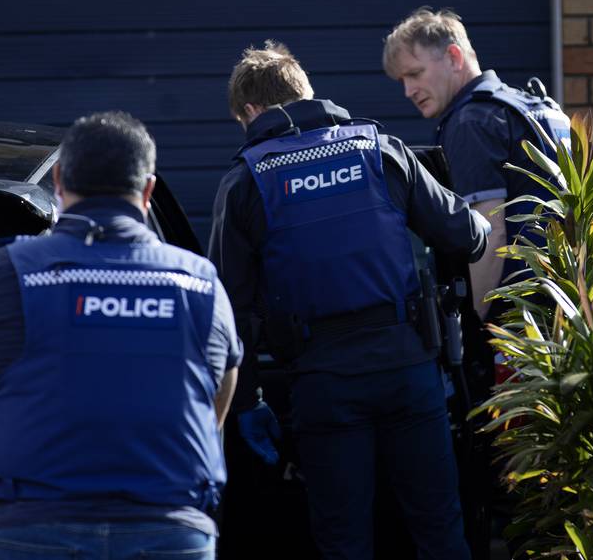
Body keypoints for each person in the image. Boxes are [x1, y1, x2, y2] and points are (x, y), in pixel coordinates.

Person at [0, 111, 240, 560]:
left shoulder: (0, 275)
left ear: (60, 179)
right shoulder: (201, 283)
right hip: (168, 532)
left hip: (28, 529)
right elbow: (215, 405)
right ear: (147, 190)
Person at [209, 41, 490, 560]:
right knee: (440, 530)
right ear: (306, 94)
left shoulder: (246, 181)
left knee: (343, 541)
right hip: (410, 372)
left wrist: (247, 403)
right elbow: (467, 235)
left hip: (324, 385)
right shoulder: (379, 150)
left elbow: (230, 312)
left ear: (250, 112)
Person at [382, 7, 572, 320]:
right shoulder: (539, 108)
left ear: (454, 57)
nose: (408, 91)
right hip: (568, 303)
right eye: (402, 80)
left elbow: (489, 233)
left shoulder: (473, 120)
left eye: (415, 74)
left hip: (519, 321)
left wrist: (476, 324)